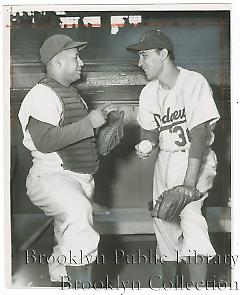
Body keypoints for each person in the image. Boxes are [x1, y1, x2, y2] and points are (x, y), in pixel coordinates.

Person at [18, 34, 115, 287]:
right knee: (78, 215)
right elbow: (45, 141)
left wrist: (102, 137)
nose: (81, 62)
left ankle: (61, 278)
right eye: (75, 57)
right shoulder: (41, 94)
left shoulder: (71, 95)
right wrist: (89, 124)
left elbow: (76, 139)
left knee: (68, 234)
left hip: (77, 177)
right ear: (58, 62)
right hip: (51, 176)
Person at [127, 30, 220, 285]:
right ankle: (170, 285)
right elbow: (150, 131)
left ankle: (198, 286)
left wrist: (188, 186)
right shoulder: (148, 92)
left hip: (195, 160)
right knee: (162, 219)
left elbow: (199, 136)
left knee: (190, 217)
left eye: (145, 56)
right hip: (166, 161)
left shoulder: (193, 82)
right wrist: (147, 142)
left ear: (163, 54)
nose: (140, 63)